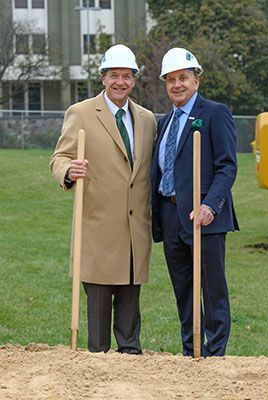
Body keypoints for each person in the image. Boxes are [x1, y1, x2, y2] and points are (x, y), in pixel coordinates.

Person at [50, 44, 156, 354]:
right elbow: (59, 157)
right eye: (114, 76)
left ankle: (129, 356)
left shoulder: (147, 119)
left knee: (129, 306)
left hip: (135, 230)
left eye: (126, 76)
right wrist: (70, 169)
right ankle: (97, 362)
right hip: (97, 227)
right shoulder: (81, 113)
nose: (120, 82)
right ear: (103, 78)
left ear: (134, 80)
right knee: (98, 307)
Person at [151, 47, 239, 357]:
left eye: (183, 78)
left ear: (196, 81)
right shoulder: (164, 122)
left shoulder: (214, 113)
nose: (177, 85)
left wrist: (210, 205)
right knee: (183, 290)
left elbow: (228, 166)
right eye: (171, 80)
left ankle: (214, 354)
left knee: (212, 289)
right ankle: (191, 351)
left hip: (204, 217)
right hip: (171, 213)